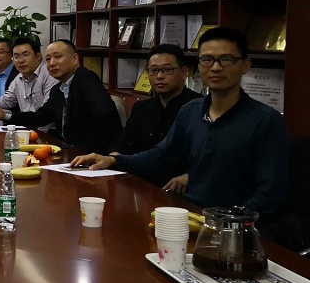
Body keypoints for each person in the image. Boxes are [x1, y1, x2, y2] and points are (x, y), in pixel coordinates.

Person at [71, 28, 289, 215]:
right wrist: (113, 160)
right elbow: (161, 155)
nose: (215, 67)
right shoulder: (191, 111)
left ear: (245, 65)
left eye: (226, 60)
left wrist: (227, 223)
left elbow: (270, 194)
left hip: (235, 227)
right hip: (189, 213)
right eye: (207, 60)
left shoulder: (265, 120)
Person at [0, 39, 121, 154]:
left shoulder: (86, 79)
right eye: (48, 59)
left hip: (94, 154)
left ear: (75, 59)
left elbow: (106, 115)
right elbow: (41, 117)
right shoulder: (58, 89)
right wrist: (6, 114)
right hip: (70, 150)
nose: (52, 63)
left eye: (57, 57)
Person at [105, 44, 202, 189]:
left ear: (184, 72)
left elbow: (208, 160)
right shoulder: (142, 108)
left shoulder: (197, 108)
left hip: (177, 189)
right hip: (136, 183)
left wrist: (191, 176)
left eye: (167, 70)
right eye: (154, 70)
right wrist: (113, 158)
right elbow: (120, 144)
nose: (159, 76)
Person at [0, 35, 57, 118]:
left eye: (25, 55)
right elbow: (6, 101)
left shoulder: (50, 75)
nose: (21, 60)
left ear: (38, 56)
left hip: (46, 127)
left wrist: (6, 115)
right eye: (16, 56)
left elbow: (47, 114)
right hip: (25, 125)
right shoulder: (18, 79)